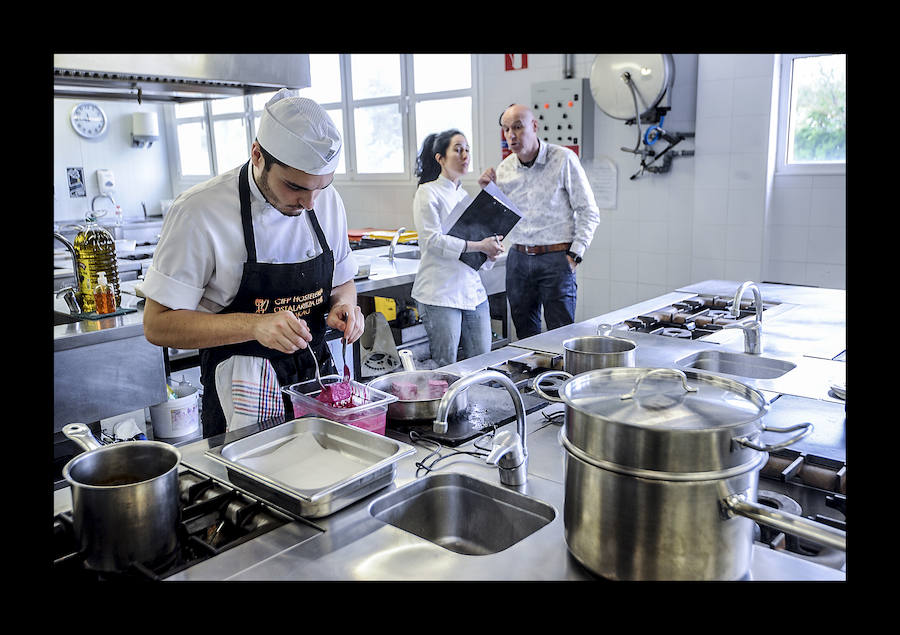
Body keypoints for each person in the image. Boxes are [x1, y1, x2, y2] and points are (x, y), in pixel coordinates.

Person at [142, 89, 364, 436]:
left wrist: (345, 306)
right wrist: (254, 325)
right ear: (257, 154)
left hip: (316, 384)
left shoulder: (326, 201)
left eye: (321, 187)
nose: (309, 204)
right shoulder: (199, 211)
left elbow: (342, 282)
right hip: (241, 395)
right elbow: (158, 325)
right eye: (294, 187)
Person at [479, 103, 600, 339]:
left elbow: (588, 211)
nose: (511, 135)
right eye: (506, 129)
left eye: (517, 127)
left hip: (556, 258)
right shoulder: (504, 169)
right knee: (524, 335)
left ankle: (560, 378)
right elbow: (498, 221)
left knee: (561, 334)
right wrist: (488, 192)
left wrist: (575, 255)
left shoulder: (563, 159)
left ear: (534, 126)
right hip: (518, 259)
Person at [411, 129, 504, 368]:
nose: (465, 155)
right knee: (446, 366)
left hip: (472, 291)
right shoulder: (427, 192)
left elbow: (477, 253)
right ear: (440, 158)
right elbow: (432, 241)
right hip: (440, 294)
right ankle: (447, 407)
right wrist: (478, 244)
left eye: (467, 150)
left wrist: (490, 251)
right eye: (458, 149)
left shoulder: (465, 196)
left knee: (483, 363)